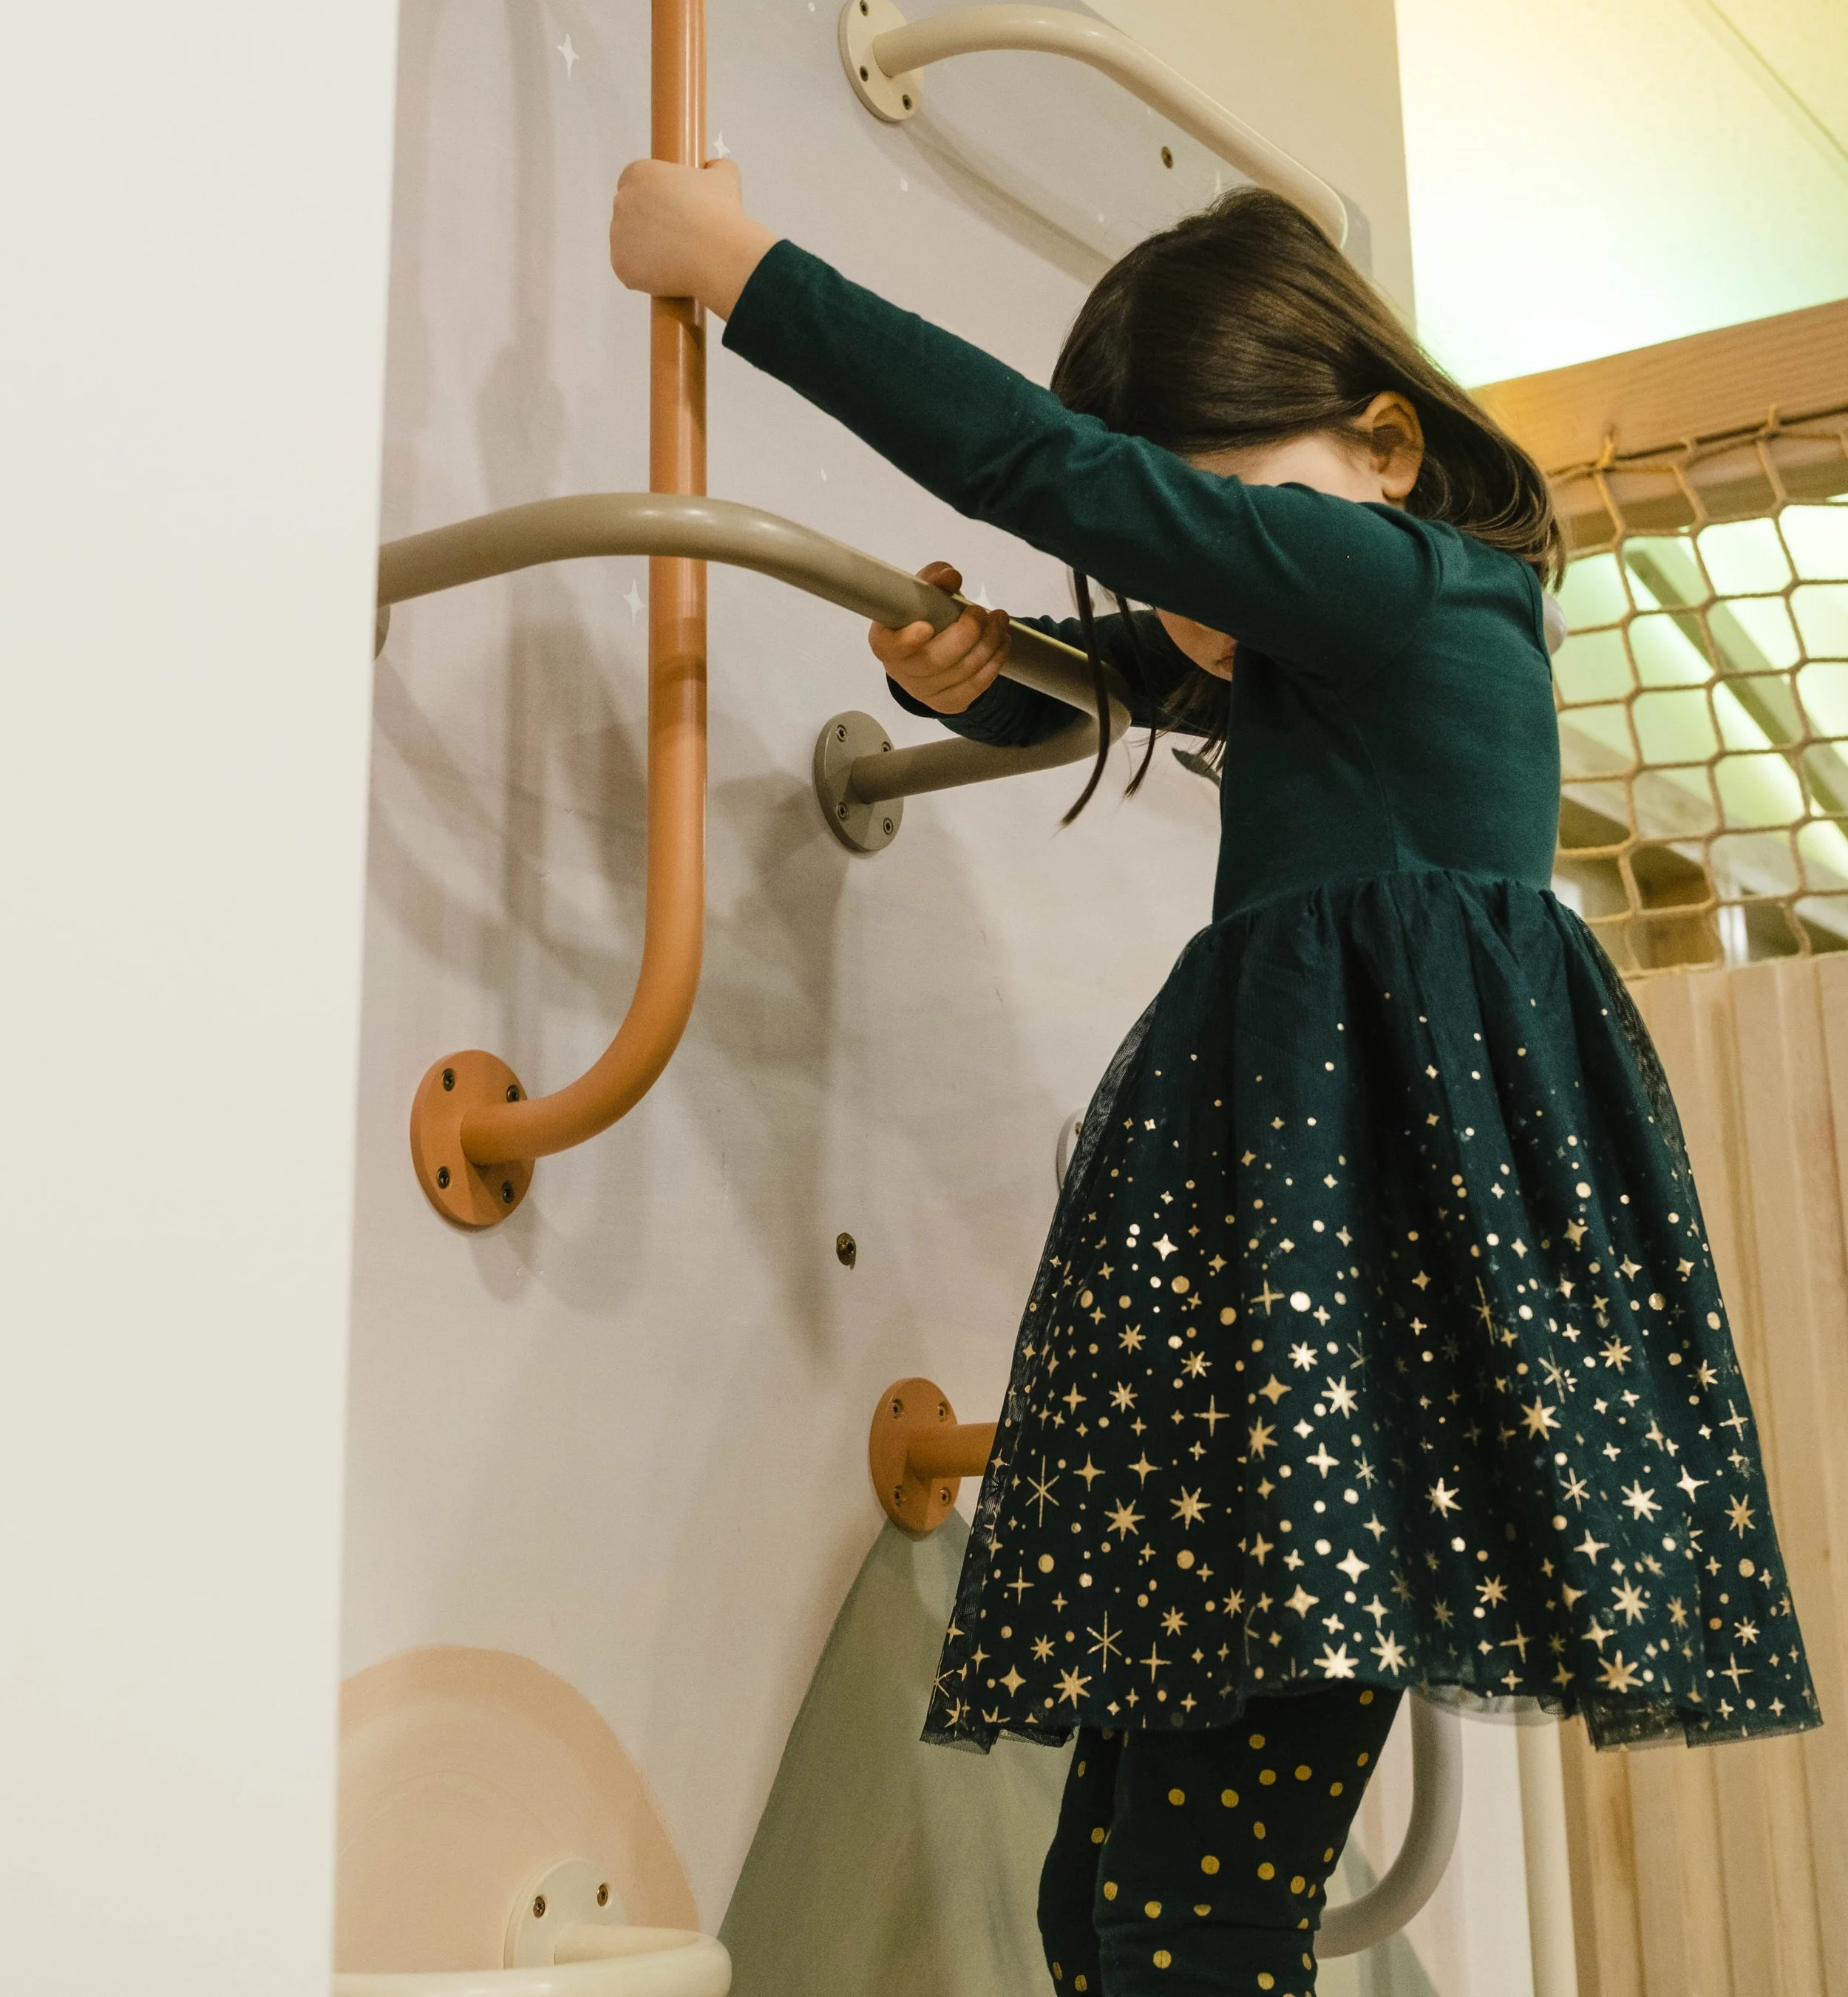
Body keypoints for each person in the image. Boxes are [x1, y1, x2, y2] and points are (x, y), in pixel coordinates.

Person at [608, 162, 1817, 1996]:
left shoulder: (1419, 595)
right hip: (1299, 1322)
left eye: (1212, 515)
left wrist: (745, 274)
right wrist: (971, 683)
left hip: (1353, 1331)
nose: (1183, 585)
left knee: (1184, 1914)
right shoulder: (1328, 643)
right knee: (1106, 1908)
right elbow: (1124, 668)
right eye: (1166, 562)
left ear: (1387, 448)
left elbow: (1053, 475)